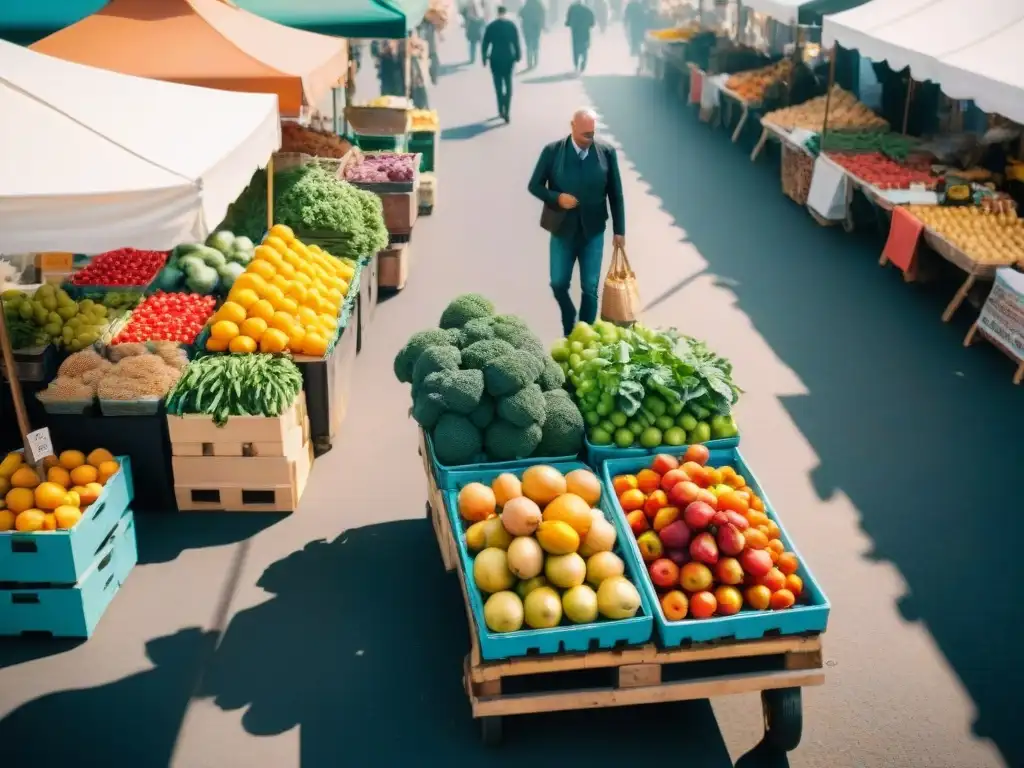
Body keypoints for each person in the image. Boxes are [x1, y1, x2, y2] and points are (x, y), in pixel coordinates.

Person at [528, 108, 626, 335]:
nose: (589, 139)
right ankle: (568, 312)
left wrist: (619, 232)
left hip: (593, 232)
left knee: (590, 288)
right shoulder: (552, 152)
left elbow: (616, 194)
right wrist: (557, 198)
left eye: (593, 134)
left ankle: (584, 334)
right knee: (558, 283)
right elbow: (534, 185)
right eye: (585, 135)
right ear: (572, 126)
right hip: (563, 230)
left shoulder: (606, 153)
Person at [482, 6, 521, 122]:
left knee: (498, 85)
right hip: (509, 58)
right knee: (508, 84)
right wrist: (518, 55)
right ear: (506, 13)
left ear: (497, 13)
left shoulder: (491, 26)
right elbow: (516, 42)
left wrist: (484, 57)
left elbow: (485, 43)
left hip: (495, 58)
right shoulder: (511, 26)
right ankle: (507, 110)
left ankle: (501, 109)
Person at [565, 0, 595, 73]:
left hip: (575, 31)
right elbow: (592, 22)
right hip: (585, 31)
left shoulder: (572, 9)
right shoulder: (588, 9)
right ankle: (583, 63)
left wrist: (568, 24)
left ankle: (576, 64)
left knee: (575, 48)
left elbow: (568, 20)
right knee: (584, 47)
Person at [519, 0, 546, 69]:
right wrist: (543, 25)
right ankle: (536, 62)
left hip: (527, 28)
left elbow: (520, 14)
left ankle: (529, 63)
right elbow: (543, 14)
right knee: (536, 43)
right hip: (536, 27)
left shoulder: (526, 4)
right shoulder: (539, 4)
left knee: (528, 45)